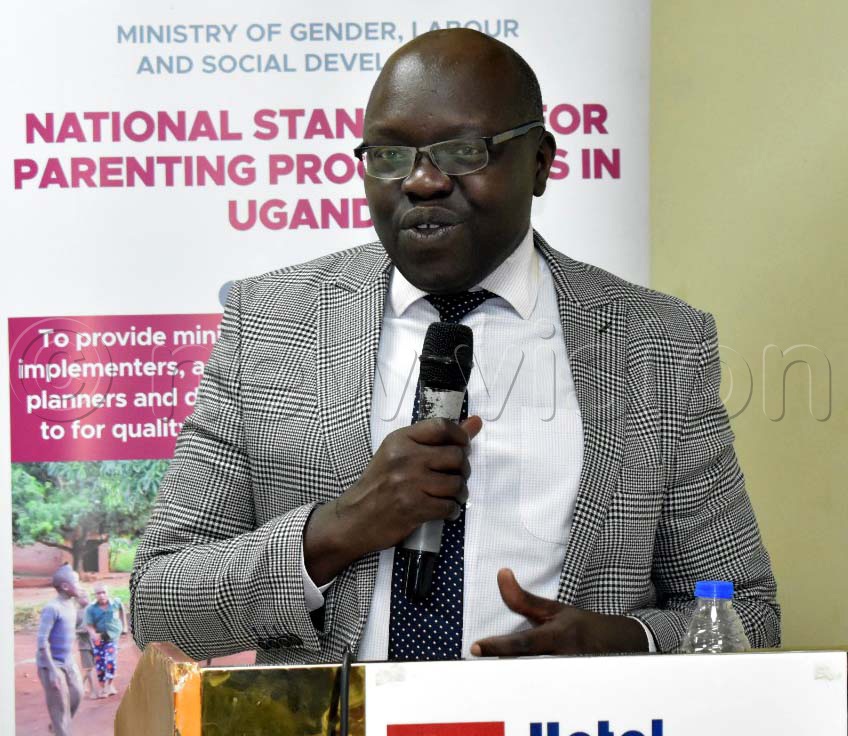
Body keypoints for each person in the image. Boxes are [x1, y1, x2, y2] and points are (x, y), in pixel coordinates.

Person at [131, 29, 779, 663]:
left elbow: (744, 614)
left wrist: (618, 643)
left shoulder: (658, 345)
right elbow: (158, 601)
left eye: (463, 150)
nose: (421, 181)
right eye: (388, 155)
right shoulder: (271, 322)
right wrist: (334, 532)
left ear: (542, 163)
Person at [36, 564, 84, 736]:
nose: (80, 586)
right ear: (65, 586)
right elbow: (42, 642)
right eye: (77, 582)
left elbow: (75, 625)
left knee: (77, 694)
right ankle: (60, 728)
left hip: (67, 661)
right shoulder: (52, 608)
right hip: (51, 663)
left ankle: (57, 726)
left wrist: (84, 606)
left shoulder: (71, 604)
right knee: (60, 707)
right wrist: (52, 671)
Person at [84, 583, 127, 697]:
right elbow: (89, 624)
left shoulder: (115, 603)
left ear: (108, 593)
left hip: (112, 637)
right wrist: (93, 634)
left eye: (104, 592)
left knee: (110, 661)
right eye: (99, 593)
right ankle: (103, 687)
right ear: (95, 595)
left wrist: (124, 626)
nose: (102, 595)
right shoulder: (91, 609)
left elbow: (122, 610)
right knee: (100, 664)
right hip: (99, 639)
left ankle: (109, 685)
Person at [74, 593, 98, 699]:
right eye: (81, 597)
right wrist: (81, 631)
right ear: (77, 600)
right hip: (84, 644)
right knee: (89, 668)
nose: (85, 599)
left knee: (97, 666)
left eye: (86, 596)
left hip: (96, 643)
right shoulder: (76, 613)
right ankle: (92, 690)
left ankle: (80, 684)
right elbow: (72, 629)